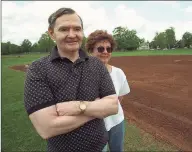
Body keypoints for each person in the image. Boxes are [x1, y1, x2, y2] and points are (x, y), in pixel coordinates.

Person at [24, 8, 118, 152]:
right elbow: (47, 128)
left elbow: (113, 106)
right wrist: (96, 110)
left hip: (101, 147)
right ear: (51, 33)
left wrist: (78, 107)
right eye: (64, 29)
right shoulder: (38, 69)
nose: (72, 35)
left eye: (77, 29)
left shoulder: (97, 64)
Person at [85, 30, 130, 152]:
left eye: (108, 49)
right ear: (91, 50)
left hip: (116, 121)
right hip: (94, 125)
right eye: (100, 49)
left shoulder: (118, 73)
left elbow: (120, 98)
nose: (105, 52)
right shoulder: (83, 73)